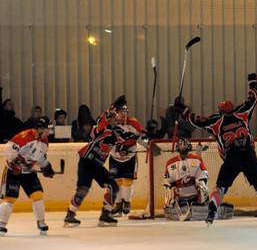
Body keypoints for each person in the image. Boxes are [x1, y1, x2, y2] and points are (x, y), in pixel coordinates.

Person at [175, 73, 257, 226]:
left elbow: (196, 121)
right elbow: (253, 99)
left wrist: (182, 110)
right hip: (248, 154)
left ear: (220, 111)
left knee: (220, 188)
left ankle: (212, 211)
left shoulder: (216, 121)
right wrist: (253, 83)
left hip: (231, 157)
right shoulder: (242, 114)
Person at [64, 96, 127, 227]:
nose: (117, 120)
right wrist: (109, 112)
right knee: (83, 190)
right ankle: (70, 215)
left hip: (97, 164)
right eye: (115, 118)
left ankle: (106, 214)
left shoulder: (116, 133)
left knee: (113, 186)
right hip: (87, 161)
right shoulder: (102, 128)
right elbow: (100, 124)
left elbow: (127, 139)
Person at [0, 118, 56, 236]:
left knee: (37, 195)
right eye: (47, 129)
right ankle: (1, 224)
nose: (49, 133)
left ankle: (41, 222)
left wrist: (46, 167)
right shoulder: (24, 136)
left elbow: (40, 157)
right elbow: (9, 149)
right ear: (40, 128)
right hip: (12, 171)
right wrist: (14, 163)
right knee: (10, 199)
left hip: (29, 172)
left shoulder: (44, 141)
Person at [109, 106, 148, 217]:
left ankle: (126, 202)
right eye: (120, 112)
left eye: (124, 111)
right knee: (116, 181)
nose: (122, 114)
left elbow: (141, 137)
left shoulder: (133, 123)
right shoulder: (109, 124)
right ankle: (118, 203)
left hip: (129, 157)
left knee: (127, 180)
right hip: (114, 157)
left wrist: (148, 143)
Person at [163, 138, 209, 221]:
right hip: (180, 197)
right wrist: (172, 186)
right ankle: (171, 208)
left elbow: (203, 175)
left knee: (202, 184)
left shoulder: (197, 159)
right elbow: (167, 181)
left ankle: (203, 205)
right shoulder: (170, 163)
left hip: (195, 194)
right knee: (168, 189)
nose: (183, 150)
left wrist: (197, 181)